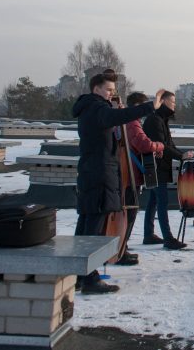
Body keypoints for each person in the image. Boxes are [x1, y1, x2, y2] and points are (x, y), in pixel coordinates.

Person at [73, 72, 166, 293]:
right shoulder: (96, 109)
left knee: (86, 223)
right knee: (94, 225)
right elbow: (116, 118)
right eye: (108, 90)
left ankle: (79, 272)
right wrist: (149, 106)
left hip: (92, 172)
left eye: (113, 91)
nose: (111, 94)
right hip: (99, 174)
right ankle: (89, 277)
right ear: (96, 89)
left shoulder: (89, 108)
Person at [116, 91, 167, 265]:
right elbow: (144, 144)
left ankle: (122, 248)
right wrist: (160, 145)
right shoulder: (132, 122)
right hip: (130, 175)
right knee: (129, 212)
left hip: (128, 174)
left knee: (128, 211)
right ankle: (121, 250)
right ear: (138, 107)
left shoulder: (128, 121)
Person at [141, 91, 193, 249]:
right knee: (162, 202)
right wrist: (181, 156)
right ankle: (168, 238)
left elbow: (169, 144)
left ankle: (148, 234)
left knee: (154, 201)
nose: (174, 105)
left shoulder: (161, 120)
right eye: (172, 102)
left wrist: (181, 154)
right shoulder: (155, 120)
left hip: (158, 167)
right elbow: (161, 144)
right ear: (162, 102)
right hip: (155, 167)